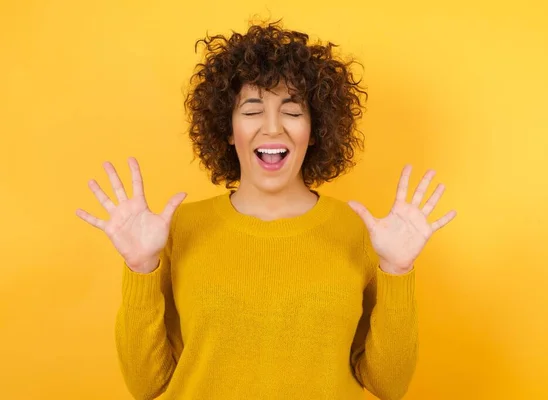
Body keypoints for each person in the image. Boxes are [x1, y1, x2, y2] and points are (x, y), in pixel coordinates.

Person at [76, 20, 456, 400]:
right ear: (227, 129)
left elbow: (389, 386)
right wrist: (141, 269)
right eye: (252, 110)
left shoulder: (364, 234)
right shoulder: (177, 230)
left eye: (292, 111)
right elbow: (146, 386)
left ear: (315, 128)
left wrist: (397, 270)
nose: (272, 128)